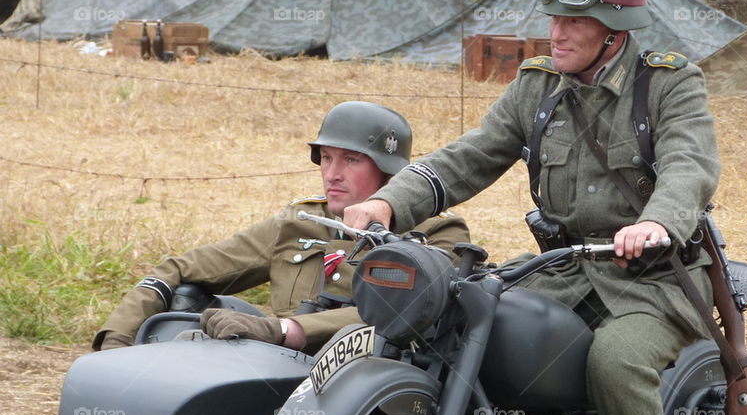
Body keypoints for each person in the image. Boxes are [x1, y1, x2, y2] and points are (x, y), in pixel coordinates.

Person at [345, 0, 720, 415]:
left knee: (617, 362)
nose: (558, 32)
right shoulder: (538, 85)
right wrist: (389, 199)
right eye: (554, 18)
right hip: (563, 267)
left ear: (613, 30)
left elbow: (689, 165)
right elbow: (469, 157)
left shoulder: (667, 83)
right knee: (468, 324)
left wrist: (657, 222)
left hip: (653, 276)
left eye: (576, 21)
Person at [94, 101, 469, 354]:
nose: (332, 175)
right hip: (278, 372)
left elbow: (403, 316)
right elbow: (179, 268)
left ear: (388, 170)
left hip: (374, 387)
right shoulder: (301, 222)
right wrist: (117, 343)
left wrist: (283, 330)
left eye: (351, 160)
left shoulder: (437, 235)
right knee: (186, 300)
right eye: (326, 158)